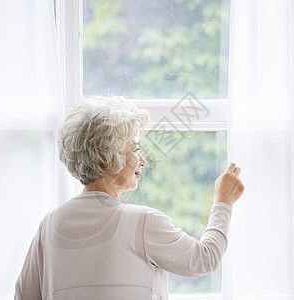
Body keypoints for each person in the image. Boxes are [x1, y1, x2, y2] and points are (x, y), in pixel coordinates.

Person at [14, 96, 244, 300]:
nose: (142, 160)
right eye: (134, 149)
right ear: (106, 159)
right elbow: (205, 259)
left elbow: (23, 296)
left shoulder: (50, 225)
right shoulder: (141, 222)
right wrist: (223, 201)